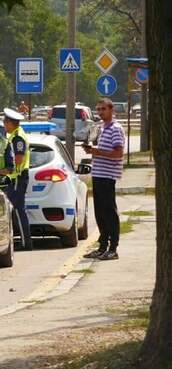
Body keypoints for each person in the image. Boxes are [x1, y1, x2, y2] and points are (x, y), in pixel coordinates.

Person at [83, 98, 125, 261]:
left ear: (111, 110)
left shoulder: (115, 129)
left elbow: (118, 153)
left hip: (108, 176)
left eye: (103, 109)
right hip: (98, 175)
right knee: (100, 213)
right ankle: (102, 246)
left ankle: (113, 247)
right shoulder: (102, 129)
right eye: (98, 109)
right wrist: (92, 151)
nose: (100, 112)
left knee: (109, 212)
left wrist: (97, 152)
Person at [3, 107, 33, 250]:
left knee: (14, 210)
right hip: (16, 178)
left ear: (10, 122)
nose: (4, 124)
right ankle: (26, 242)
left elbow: (19, 160)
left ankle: (25, 243)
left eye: (5, 122)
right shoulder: (14, 135)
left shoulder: (17, 137)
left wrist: (5, 169)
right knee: (18, 209)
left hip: (17, 178)